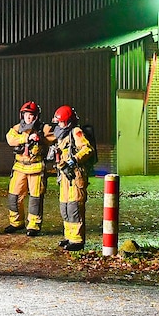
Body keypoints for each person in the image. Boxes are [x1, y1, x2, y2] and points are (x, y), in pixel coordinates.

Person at [4, 101, 55, 236]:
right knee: (13, 196)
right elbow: (10, 139)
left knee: (35, 198)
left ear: (36, 116)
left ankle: (33, 225)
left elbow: (55, 137)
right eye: (26, 114)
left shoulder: (44, 128)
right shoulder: (17, 128)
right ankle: (16, 222)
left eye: (31, 114)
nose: (28, 117)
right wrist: (27, 137)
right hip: (19, 167)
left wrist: (41, 138)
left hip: (36, 168)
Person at [52, 106, 94, 251]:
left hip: (75, 176)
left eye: (61, 122)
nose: (59, 124)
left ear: (68, 122)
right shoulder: (62, 135)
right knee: (65, 207)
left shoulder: (76, 132)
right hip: (65, 176)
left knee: (74, 207)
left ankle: (77, 240)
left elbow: (87, 149)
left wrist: (74, 159)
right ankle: (69, 237)